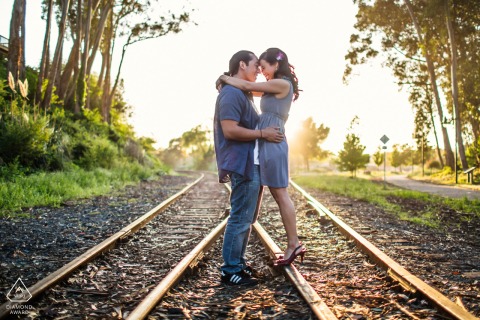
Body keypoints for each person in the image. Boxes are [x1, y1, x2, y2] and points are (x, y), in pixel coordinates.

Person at [217, 48, 305, 266]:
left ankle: (294, 244)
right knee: (270, 195)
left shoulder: (282, 84)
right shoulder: (270, 87)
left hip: (272, 141)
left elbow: (247, 86)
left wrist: (223, 78)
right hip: (264, 143)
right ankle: (291, 244)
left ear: (276, 65)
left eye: (264, 67)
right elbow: (246, 89)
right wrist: (229, 83)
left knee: (280, 193)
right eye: (259, 67)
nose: (262, 72)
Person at [214, 50, 284, 286]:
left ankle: (239, 265)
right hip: (242, 164)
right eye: (255, 65)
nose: (258, 70)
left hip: (251, 163)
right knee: (240, 217)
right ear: (242, 64)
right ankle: (230, 271)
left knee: (247, 218)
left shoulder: (242, 93)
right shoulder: (232, 94)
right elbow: (230, 130)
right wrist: (263, 133)